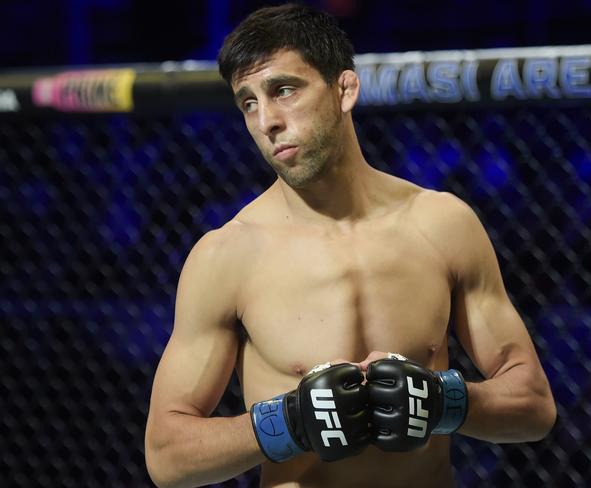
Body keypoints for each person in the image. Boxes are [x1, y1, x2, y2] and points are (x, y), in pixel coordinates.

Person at [144, 4, 557, 487]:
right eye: (248, 102)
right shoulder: (227, 256)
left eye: (283, 90)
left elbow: (534, 407)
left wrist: (446, 400)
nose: (267, 120)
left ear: (345, 89)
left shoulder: (443, 224)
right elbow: (167, 456)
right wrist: (290, 423)